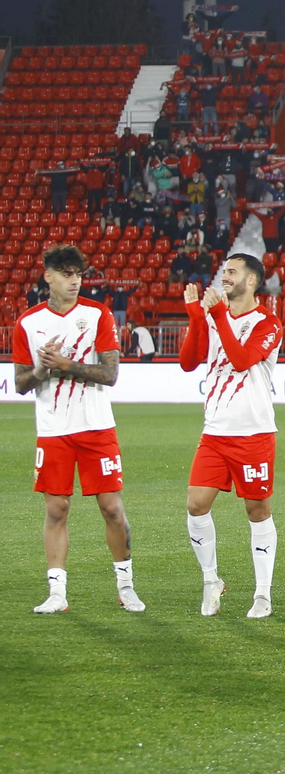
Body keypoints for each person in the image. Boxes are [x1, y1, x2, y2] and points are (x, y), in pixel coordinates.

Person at [13, 245, 142, 614]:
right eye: (67, 274)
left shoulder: (97, 314)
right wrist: (42, 368)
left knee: (112, 508)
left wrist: (66, 364)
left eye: (79, 274)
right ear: (48, 276)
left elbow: (111, 374)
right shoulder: (28, 323)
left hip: (96, 427)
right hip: (53, 428)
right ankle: (57, 593)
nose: (75, 281)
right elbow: (20, 383)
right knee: (57, 509)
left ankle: (126, 586)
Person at [177, 253, 284, 619]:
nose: (224, 277)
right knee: (196, 505)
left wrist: (217, 315)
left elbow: (241, 360)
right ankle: (211, 581)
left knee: (257, 510)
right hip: (215, 431)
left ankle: (263, 593)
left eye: (232, 272)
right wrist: (196, 316)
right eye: (223, 271)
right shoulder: (213, 317)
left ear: (251, 280)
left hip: (254, 432)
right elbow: (188, 362)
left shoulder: (268, 323)